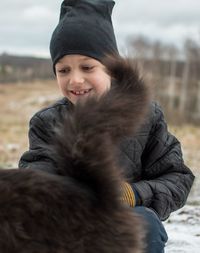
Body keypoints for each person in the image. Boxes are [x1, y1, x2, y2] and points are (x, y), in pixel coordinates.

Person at [19, 0, 195, 252]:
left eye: (87, 67)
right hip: (72, 229)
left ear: (111, 69)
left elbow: (177, 178)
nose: (75, 79)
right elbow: (36, 179)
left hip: (127, 226)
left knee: (146, 224)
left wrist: (133, 194)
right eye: (63, 70)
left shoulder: (148, 116)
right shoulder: (46, 123)